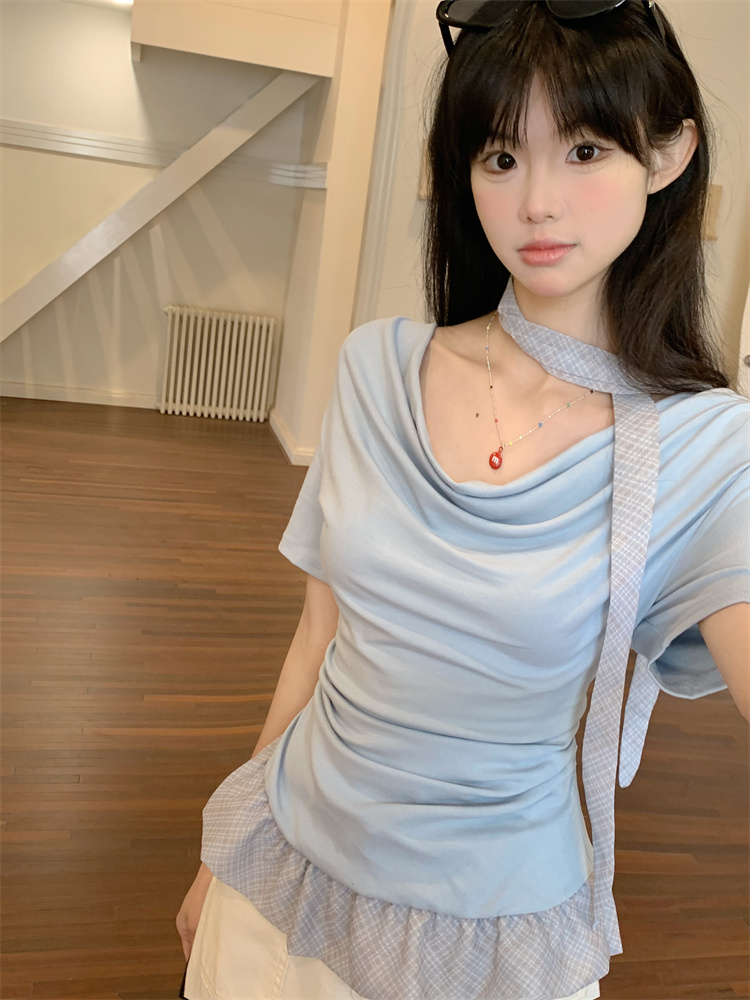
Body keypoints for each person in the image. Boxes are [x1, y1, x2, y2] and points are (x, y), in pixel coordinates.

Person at [175, 1, 749, 997]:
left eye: (583, 150)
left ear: (667, 155)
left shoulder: (705, 447)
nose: (537, 204)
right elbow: (319, 635)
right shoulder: (375, 369)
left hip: (490, 939)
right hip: (282, 882)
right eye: (500, 157)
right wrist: (221, 858)